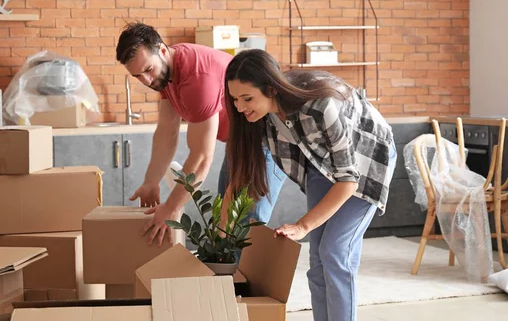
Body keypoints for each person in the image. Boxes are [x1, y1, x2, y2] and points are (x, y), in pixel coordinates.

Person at [223, 49, 397, 321]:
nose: (240, 107)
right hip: (319, 164)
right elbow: (239, 179)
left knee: (335, 252)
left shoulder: (321, 106)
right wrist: (221, 237)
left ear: (271, 89)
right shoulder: (255, 120)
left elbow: (348, 179)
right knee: (317, 262)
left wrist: (302, 225)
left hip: (366, 160)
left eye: (247, 98)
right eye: (234, 99)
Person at [115, 23, 286, 246]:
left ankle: (250, 280)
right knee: (225, 223)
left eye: (148, 70)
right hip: (240, 142)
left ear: (163, 50)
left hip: (266, 139)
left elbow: (202, 158)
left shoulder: (196, 79)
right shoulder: (165, 75)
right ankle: (229, 280)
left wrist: (171, 208)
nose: (146, 81)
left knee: (244, 224)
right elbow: (167, 132)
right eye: (137, 75)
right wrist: (150, 183)